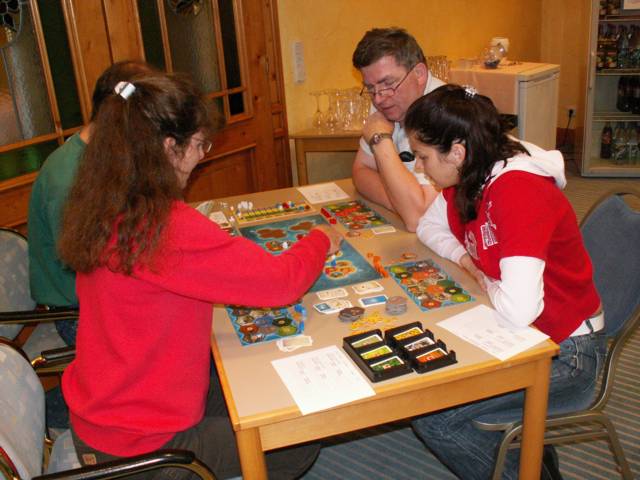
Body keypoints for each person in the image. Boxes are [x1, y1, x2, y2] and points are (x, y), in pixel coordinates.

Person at [57, 72, 341, 480]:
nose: (201, 156)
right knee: (297, 440)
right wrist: (320, 238)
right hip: (140, 449)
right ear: (168, 147)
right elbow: (281, 282)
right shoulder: (164, 225)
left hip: (104, 415)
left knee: (254, 386)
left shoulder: (105, 201)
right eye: (199, 145)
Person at [405, 84, 606, 480]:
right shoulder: (472, 171)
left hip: (568, 353)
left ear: (457, 152)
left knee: (436, 418)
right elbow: (427, 226)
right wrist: (468, 261)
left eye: (423, 157)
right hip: (529, 333)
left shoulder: (518, 190)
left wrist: (486, 280)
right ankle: (531, 458)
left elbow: (519, 309)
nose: (420, 168)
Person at [28, 60, 155, 346]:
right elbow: (89, 270)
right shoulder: (68, 178)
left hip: (103, 294)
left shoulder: (105, 153)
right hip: (78, 313)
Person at [352, 27, 445, 232]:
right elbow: (361, 171)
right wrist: (401, 201)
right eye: (370, 88)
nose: (378, 98)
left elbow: (417, 217)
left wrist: (380, 139)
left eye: (388, 83)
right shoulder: (387, 98)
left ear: (419, 74)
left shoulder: (443, 113)